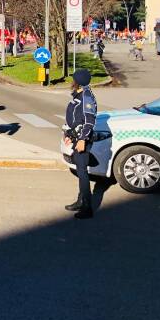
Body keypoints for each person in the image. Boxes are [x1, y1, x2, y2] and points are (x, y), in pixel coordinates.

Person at [64, 69, 98, 219]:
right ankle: (80, 200)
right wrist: (69, 135)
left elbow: (89, 120)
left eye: (73, 79)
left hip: (82, 139)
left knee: (83, 172)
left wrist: (83, 139)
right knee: (80, 170)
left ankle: (87, 207)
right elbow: (76, 118)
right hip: (76, 137)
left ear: (77, 81)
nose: (71, 81)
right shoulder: (79, 95)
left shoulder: (87, 96)